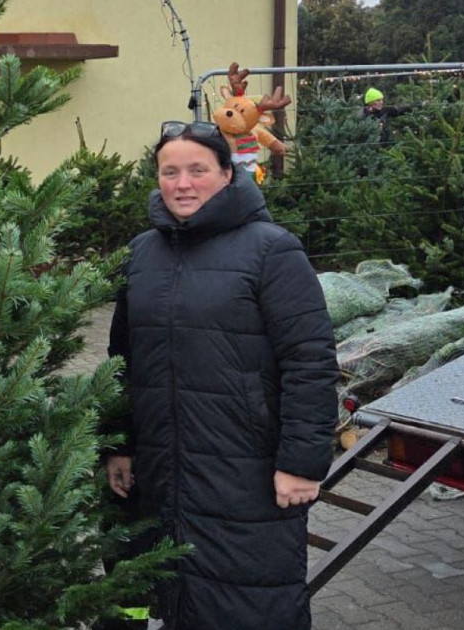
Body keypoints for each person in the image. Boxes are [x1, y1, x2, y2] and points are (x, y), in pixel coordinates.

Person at [101, 121, 339, 630]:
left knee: (247, 602)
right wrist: (117, 446)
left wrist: (302, 462)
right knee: (152, 593)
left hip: (244, 472)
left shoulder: (271, 250)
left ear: (227, 175)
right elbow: (121, 358)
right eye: (170, 172)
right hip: (158, 468)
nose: (182, 183)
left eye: (197, 170)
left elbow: (310, 360)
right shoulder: (142, 254)